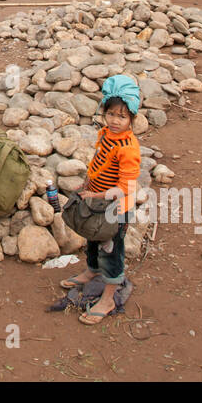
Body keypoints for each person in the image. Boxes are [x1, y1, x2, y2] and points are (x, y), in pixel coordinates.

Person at [61, 74, 142, 324]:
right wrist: (87, 183)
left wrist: (95, 194)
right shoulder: (106, 135)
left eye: (122, 116)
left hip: (114, 209)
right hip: (97, 203)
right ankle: (91, 270)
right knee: (93, 239)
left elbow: (126, 187)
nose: (115, 121)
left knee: (112, 250)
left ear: (132, 118)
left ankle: (107, 298)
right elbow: (98, 163)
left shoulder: (128, 148)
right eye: (111, 114)